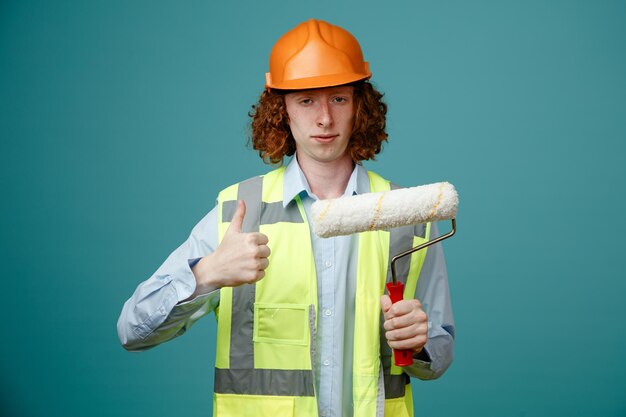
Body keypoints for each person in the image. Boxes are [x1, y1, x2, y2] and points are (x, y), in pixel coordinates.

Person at [118, 18, 454, 417]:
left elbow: (440, 348)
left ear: (360, 106)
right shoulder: (237, 211)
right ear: (282, 110)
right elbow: (132, 331)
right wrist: (206, 273)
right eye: (307, 100)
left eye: (339, 99)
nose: (325, 119)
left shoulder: (407, 214)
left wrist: (417, 345)